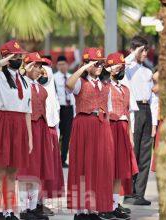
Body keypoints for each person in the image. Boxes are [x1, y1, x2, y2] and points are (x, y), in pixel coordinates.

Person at [0, 40, 32, 220]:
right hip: (3, 122)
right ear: (6, 57)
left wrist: (29, 138)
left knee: (12, 172)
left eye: (20, 56)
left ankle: (9, 210)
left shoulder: (25, 81)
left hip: (19, 125)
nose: (19, 59)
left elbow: (27, 111)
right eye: (15, 56)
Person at [66, 48, 115, 219]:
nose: (100, 65)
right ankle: (80, 209)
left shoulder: (105, 85)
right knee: (82, 165)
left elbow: (109, 108)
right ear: (88, 64)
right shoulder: (81, 82)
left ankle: (94, 207)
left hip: (102, 126)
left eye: (101, 62)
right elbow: (69, 85)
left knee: (100, 166)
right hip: (83, 124)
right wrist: (84, 68)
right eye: (96, 62)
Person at [122, 36, 159, 206]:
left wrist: (153, 125)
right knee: (133, 152)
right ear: (135, 50)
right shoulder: (128, 70)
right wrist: (134, 52)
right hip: (133, 111)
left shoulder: (148, 72)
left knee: (145, 154)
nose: (145, 53)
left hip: (146, 111)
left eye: (146, 50)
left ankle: (139, 194)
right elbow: (123, 63)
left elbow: (153, 99)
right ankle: (129, 193)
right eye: (142, 50)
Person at [17, 52, 53, 220]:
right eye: (36, 66)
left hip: (41, 127)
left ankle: (33, 207)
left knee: (37, 169)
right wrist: (24, 71)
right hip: (27, 126)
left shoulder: (40, 87)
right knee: (27, 169)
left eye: (41, 66)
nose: (39, 70)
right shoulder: (21, 84)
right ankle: (24, 208)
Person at [105, 52, 139, 219]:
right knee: (109, 168)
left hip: (123, 128)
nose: (121, 69)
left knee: (119, 168)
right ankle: (106, 205)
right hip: (110, 127)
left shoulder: (125, 89)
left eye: (122, 67)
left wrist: (130, 135)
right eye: (118, 66)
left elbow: (127, 112)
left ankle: (115, 203)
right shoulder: (105, 87)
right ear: (110, 69)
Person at [38, 56, 64, 216]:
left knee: (47, 169)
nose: (43, 73)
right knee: (37, 168)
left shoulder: (50, 86)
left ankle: (40, 202)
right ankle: (34, 204)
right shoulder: (31, 87)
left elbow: (55, 113)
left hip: (51, 128)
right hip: (39, 128)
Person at [53, 55, 75, 167]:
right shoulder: (53, 77)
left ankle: (63, 159)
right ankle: (55, 159)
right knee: (57, 134)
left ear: (67, 65)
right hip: (59, 108)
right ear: (57, 66)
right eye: (60, 64)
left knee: (67, 135)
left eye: (64, 64)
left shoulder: (72, 77)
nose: (62, 66)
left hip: (69, 108)